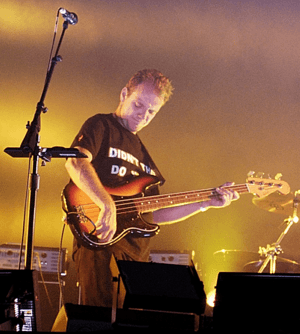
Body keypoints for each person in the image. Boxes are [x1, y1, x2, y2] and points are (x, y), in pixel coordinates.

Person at [65, 69, 239, 308]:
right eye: (138, 105)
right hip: (101, 239)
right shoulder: (101, 124)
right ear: (124, 93)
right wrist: (106, 204)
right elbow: (75, 161)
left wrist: (205, 203)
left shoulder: (144, 157)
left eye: (151, 112)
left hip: (135, 256)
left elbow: (154, 213)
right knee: (100, 318)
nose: (143, 115)